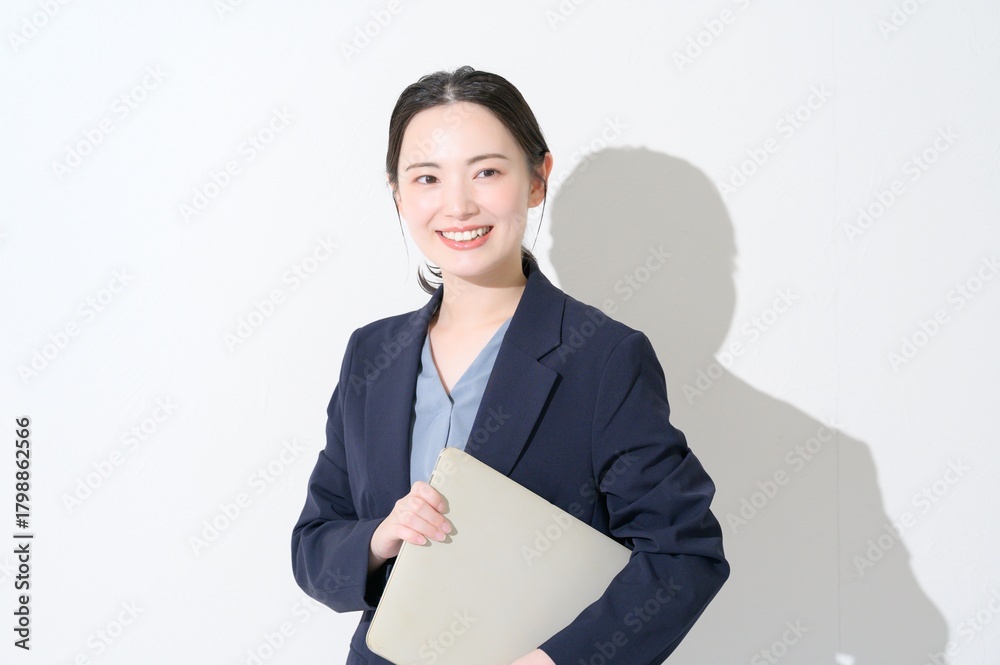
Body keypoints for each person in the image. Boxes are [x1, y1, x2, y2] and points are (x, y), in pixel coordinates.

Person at [290, 65, 729, 665]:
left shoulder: (603, 358)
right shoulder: (372, 354)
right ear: (398, 194)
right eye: (427, 178)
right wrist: (378, 538)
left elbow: (682, 553)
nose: (458, 205)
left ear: (537, 179)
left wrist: (557, 661)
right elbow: (313, 546)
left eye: (487, 172)